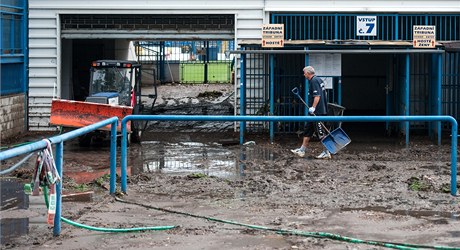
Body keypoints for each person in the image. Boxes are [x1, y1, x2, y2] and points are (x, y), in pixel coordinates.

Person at [291, 66, 331, 159]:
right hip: (314, 113)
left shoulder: (314, 81)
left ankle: (326, 152)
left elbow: (317, 96)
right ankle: (302, 150)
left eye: (304, 73)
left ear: (308, 73)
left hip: (317, 113)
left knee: (320, 133)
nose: (304, 74)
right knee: (308, 130)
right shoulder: (319, 80)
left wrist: (313, 107)